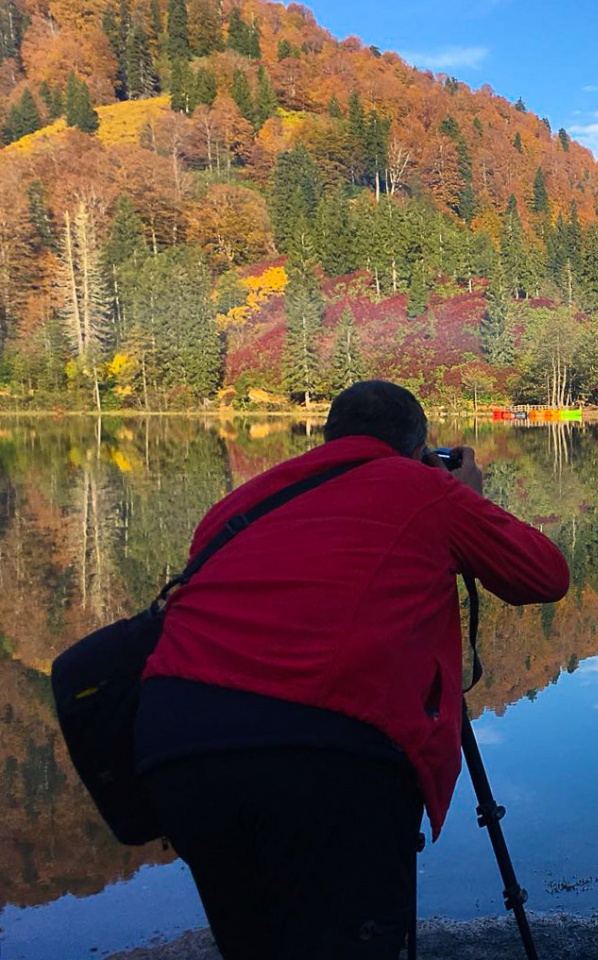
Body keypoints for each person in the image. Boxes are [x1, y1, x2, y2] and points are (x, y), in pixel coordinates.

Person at [135, 380, 570, 960]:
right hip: (326, 751)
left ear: (329, 436)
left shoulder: (239, 505)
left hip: (177, 745)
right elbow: (545, 576)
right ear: (418, 447)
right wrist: (465, 495)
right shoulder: (425, 489)